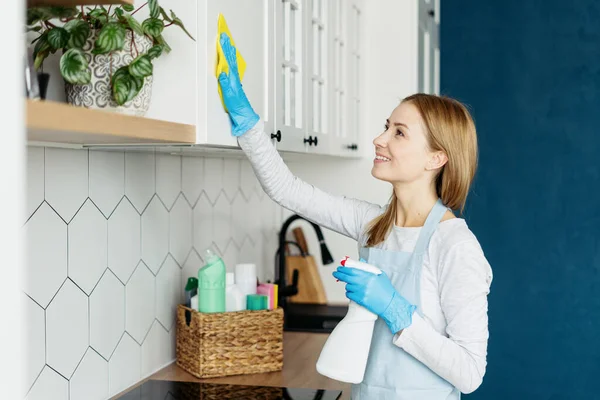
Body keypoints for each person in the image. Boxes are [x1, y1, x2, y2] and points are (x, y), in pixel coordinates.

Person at [217, 33, 493, 399]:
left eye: (399, 133)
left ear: (435, 158)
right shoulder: (374, 227)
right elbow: (287, 189)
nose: (380, 139)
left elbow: (470, 373)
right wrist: (246, 121)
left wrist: (395, 308)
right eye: (385, 126)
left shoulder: (455, 246)